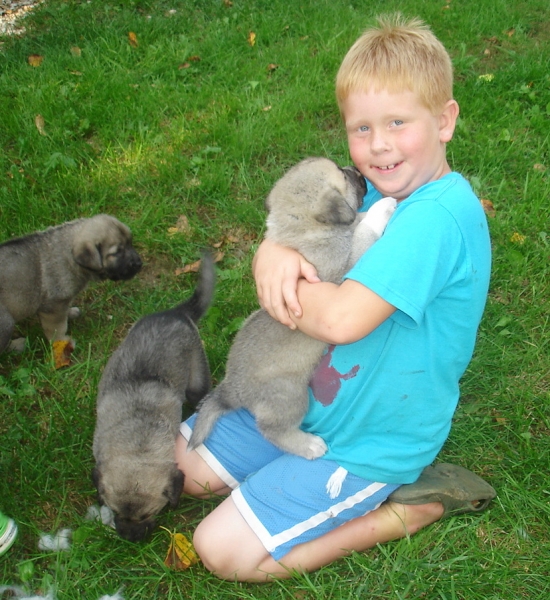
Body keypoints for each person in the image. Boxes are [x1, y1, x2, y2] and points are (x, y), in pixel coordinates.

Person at [175, 13, 495, 581]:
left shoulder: (436, 220)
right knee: (185, 472)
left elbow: (343, 319)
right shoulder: (380, 187)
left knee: (220, 550)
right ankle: (280, 474)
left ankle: (405, 509)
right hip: (306, 403)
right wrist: (270, 253)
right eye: (361, 128)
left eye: (398, 122)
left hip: (369, 439)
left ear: (445, 120)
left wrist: (284, 281)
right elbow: (302, 235)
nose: (379, 146)